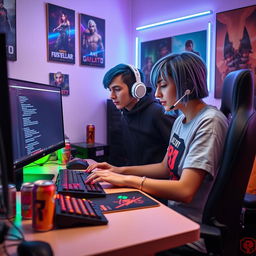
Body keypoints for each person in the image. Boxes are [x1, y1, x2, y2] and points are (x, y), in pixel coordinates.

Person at [86, 52, 228, 255]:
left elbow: (185, 191)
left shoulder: (209, 122)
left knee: (108, 239)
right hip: (171, 214)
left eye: (163, 86)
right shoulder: (181, 118)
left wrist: (127, 181)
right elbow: (164, 167)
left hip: (190, 232)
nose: (157, 94)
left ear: (185, 84)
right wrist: (119, 170)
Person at [103, 63, 175, 167]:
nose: (112, 96)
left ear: (136, 89)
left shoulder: (158, 113)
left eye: (117, 89)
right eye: (110, 90)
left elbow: (178, 158)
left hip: (156, 182)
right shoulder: (125, 114)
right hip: (134, 179)